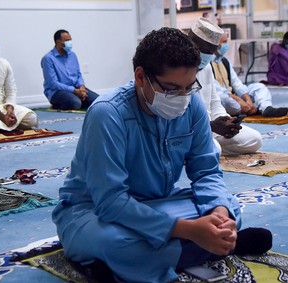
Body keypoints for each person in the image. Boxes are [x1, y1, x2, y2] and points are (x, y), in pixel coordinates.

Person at [52, 27, 272, 283]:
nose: (181, 98)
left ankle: (146, 259)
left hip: (158, 204)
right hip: (92, 212)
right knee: (116, 243)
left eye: (189, 87)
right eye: (170, 89)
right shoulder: (108, 113)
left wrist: (219, 215)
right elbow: (110, 202)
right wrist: (189, 230)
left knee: (230, 208)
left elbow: (206, 172)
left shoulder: (193, 106)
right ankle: (209, 248)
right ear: (141, 77)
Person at [188, 17, 262, 155]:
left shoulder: (207, 67)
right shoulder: (177, 69)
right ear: (192, 44)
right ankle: (200, 149)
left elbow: (215, 102)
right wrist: (210, 126)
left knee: (254, 139)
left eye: (212, 51)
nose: (209, 56)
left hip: (211, 128)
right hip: (189, 132)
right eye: (205, 51)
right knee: (214, 148)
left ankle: (201, 150)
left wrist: (226, 121)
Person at [211, 32, 288, 117]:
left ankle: (265, 108)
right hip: (223, 98)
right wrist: (240, 100)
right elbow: (218, 92)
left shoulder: (225, 61)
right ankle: (248, 109)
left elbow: (237, 84)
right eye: (224, 42)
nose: (227, 45)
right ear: (215, 44)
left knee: (259, 87)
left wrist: (248, 100)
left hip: (234, 95)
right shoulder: (207, 65)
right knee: (225, 100)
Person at [41, 29, 99, 110]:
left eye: (70, 40)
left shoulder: (73, 55)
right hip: (57, 92)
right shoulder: (48, 59)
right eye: (67, 41)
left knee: (98, 101)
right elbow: (53, 84)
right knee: (75, 103)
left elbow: (78, 74)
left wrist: (82, 86)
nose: (70, 43)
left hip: (76, 88)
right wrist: (74, 91)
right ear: (58, 42)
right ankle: (58, 105)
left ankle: (78, 99)